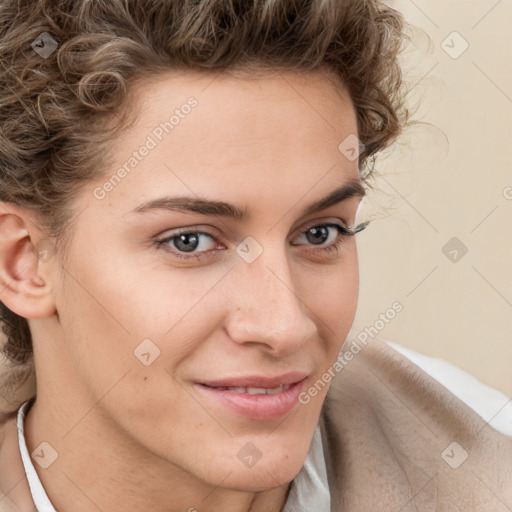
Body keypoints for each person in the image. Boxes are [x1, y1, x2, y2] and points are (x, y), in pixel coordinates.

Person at [0, 1, 510, 511]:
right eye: (190, 241)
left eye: (319, 233)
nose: (285, 326)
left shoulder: (484, 461)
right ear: (22, 264)